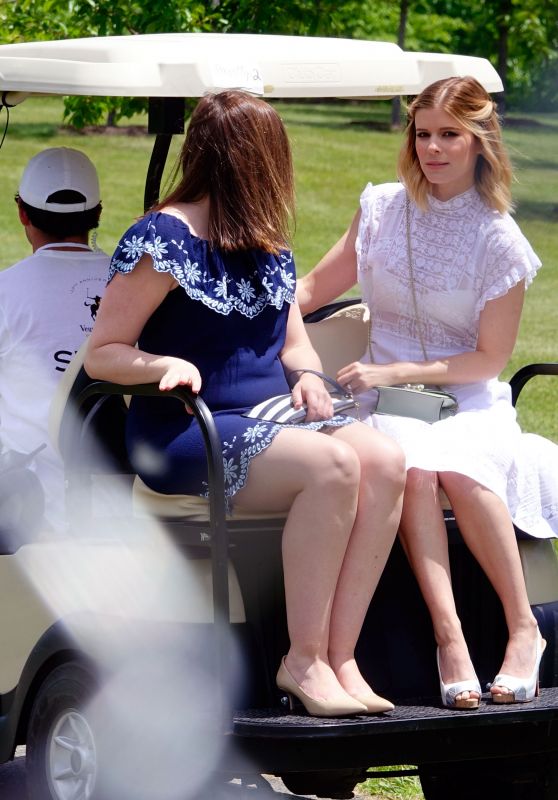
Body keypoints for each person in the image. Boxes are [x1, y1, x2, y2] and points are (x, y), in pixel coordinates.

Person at [85, 90, 406, 717]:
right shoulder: (165, 238)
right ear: (244, 159)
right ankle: (302, 659)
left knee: (386, 461)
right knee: (333, 467)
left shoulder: (267, 243)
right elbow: (104, 352)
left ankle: (341, 656)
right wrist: (161, 364)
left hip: (267, 419)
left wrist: (309, 376)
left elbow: (293, 346)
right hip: (183, 429)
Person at [298, 76, 558, 709]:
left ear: (480, 141)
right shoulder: (382, 208)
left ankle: (524, 629)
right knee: (412, 468)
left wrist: (389, 372)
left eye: (450, 135)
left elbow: (488, 359)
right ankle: (451, 639)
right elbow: (309, 291)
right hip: (390, 404)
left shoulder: (499, 241)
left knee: (462, 469)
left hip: (464, 397)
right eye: (422, 134)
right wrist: (280, 339)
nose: (432, 149)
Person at [0, 147, 110, 532]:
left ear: (22, 214)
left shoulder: (5, 291)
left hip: (28, 511)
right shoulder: (135, 288)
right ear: (96, 215)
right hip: (123, 511)